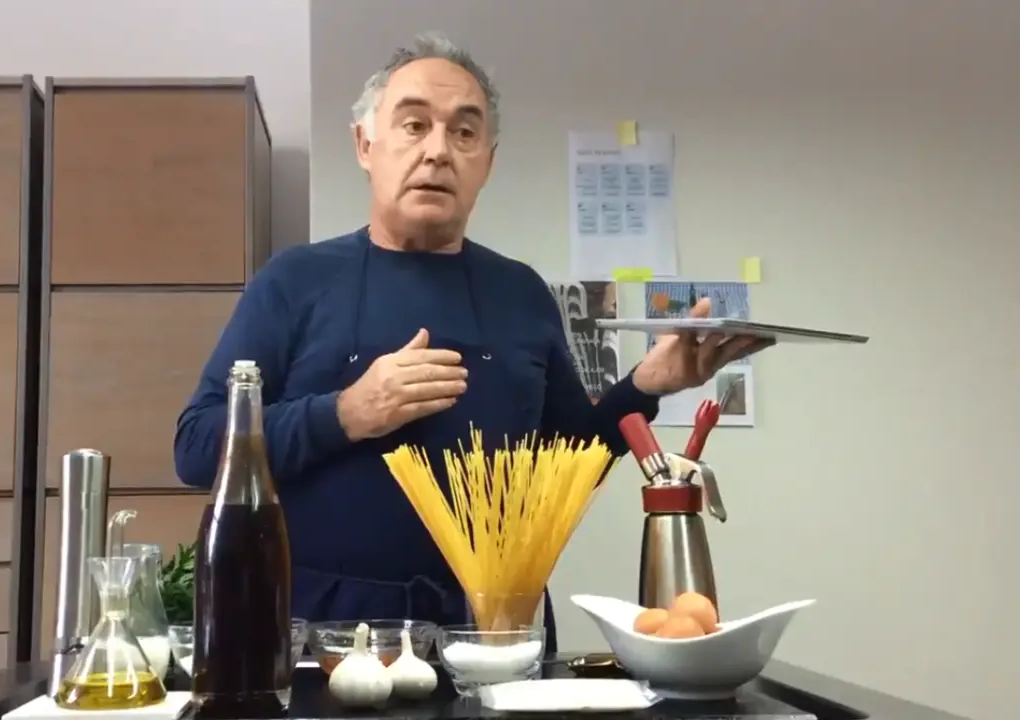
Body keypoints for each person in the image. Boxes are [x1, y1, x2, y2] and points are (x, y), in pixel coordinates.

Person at [174, 33, 769, 651]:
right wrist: (344, 413)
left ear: (487, 162)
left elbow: (567, 464)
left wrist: (645, 386)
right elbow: (195, 447)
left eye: (463, 132)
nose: (437, 151)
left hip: (494, 632)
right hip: (322, 642)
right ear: (365, 145)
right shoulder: (295, 281)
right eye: (413, 125)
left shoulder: (520, 292)